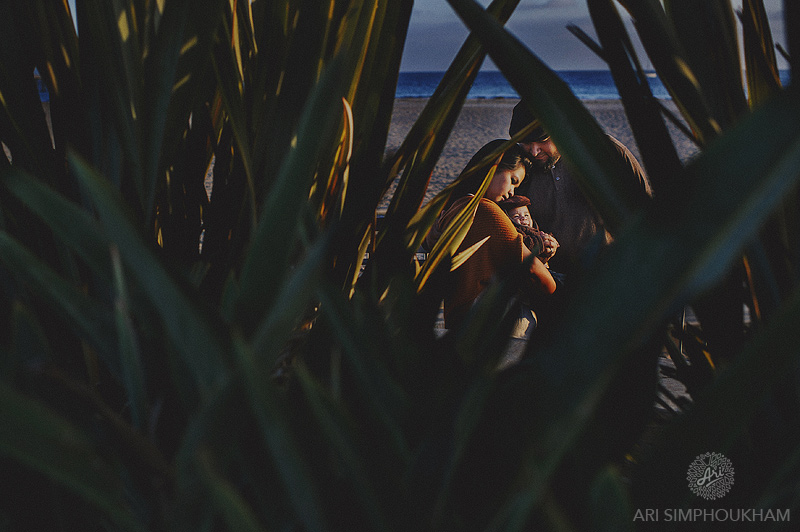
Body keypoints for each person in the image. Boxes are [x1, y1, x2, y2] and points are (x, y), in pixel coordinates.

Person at [424, 139, 556, 333]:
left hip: (459, 319)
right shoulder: (486, 212)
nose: (512, 192)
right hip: (494, 320)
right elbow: (538, 275)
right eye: (513, 180)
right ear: (494, 167)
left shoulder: (451, 210)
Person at [508, 101, 652, 275]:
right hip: (554, 280)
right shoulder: (520, 167)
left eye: (541, 141)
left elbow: (646, 209)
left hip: (612, 273)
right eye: (525, 143)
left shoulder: (605, 151)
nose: (534, 151)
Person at [497, 195, 559, 266]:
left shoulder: (536, 231)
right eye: (516, 216)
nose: (523, 218)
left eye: (526, 215)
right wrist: (541, 241)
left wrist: (550, 240)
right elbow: (525, 244)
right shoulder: (516, 232)